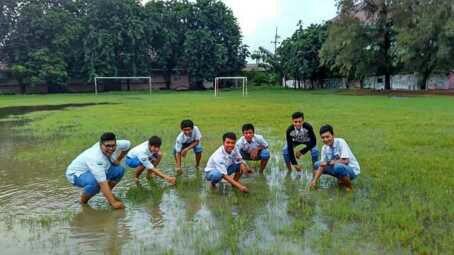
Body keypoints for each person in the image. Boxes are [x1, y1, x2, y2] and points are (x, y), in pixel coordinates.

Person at [65, 132, 130, 209]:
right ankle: (83, 202)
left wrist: (119, 159)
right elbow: (102, 182)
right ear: (100, 145)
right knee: (95, 183)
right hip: (76, 174)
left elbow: (127, 145)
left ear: (116, 143)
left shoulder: (119, 144)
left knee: (119, 170)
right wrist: (114, 203)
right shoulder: (95, 157)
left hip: (97, 169)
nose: (111, 149)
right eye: (107, 146)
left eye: (113, 145)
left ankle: (107, 193)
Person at [310, 124, 360, 191]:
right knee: (317, 164)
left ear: (333, 135)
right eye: (323, 137)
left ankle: (349, 188)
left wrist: (328, 162)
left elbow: (346, 161)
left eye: (327, 137)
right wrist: (314, 181)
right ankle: (314, 184)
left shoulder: (341, 142)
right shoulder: (324, 148)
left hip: (351, 170)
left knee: (338, 167)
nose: (325, 139)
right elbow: (322, 165)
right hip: (338, 167)